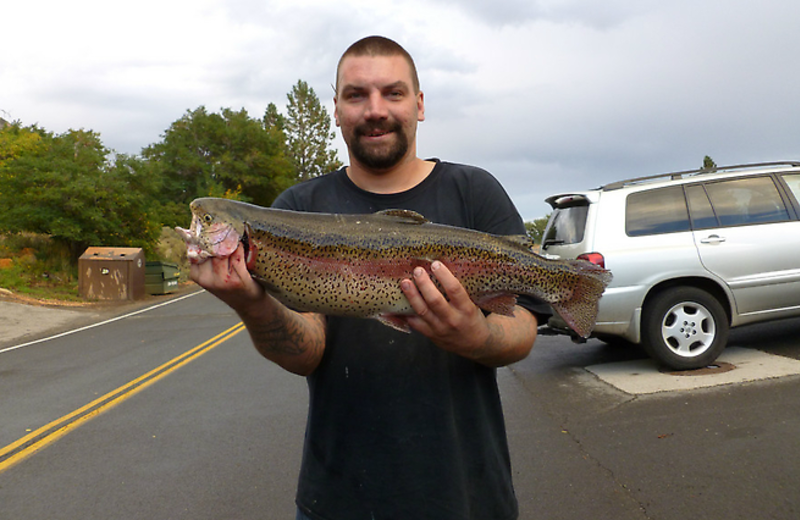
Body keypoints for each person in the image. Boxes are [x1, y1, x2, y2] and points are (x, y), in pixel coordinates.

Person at [191, 35, 547, 520]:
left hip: (469, 496)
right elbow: (307, 352)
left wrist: (478, 335)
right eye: (356, 95)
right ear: (335, 109)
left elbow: (525, 324)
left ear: (419, 105)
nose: (374, 109)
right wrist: (250, 302)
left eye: (393, 93)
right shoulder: (298, 209)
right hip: (338, 500)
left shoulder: (475, 192)